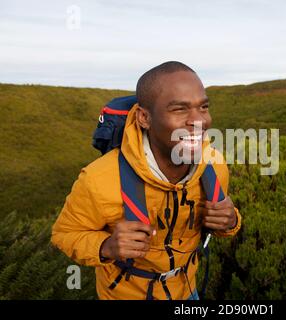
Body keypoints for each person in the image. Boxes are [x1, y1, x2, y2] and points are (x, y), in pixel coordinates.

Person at [51, 61, 242, 300]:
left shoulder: (215, 166)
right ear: (144, 118)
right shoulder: (98, 179)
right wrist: (106, 246)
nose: (199, 121)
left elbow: (221, 224)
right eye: (180, 109)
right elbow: (64, 234)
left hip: (187, 290)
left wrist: (231, 219)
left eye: (203, 107)